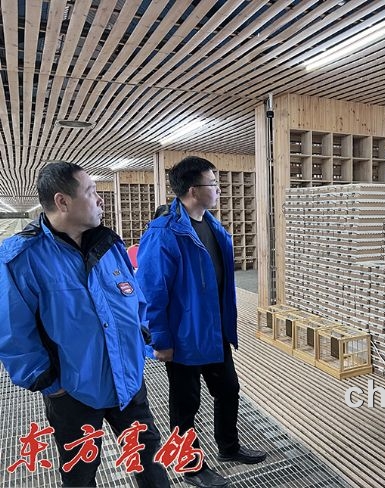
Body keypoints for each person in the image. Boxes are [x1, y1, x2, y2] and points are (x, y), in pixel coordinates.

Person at [0, 162, 170, 487]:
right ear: (62, 201)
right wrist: (50, 384)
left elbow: (134, 297)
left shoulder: (109, 244)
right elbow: (12, 332)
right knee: (80, 474)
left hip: (128, 379)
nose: (100, 199)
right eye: (91, 192)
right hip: (73, 390)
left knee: (149, 459)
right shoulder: (22, 257)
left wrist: (140, 337)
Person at [137, 156, 266, 488]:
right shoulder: (164, 233)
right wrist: (160, 339)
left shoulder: (211, 224)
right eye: (213, 183)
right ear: (193, 190)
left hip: (214, 330)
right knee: (186, 404)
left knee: (229, 390)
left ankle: (229, 447)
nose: (219, 189)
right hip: (183, 336)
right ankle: (190, 466)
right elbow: (152, 291)